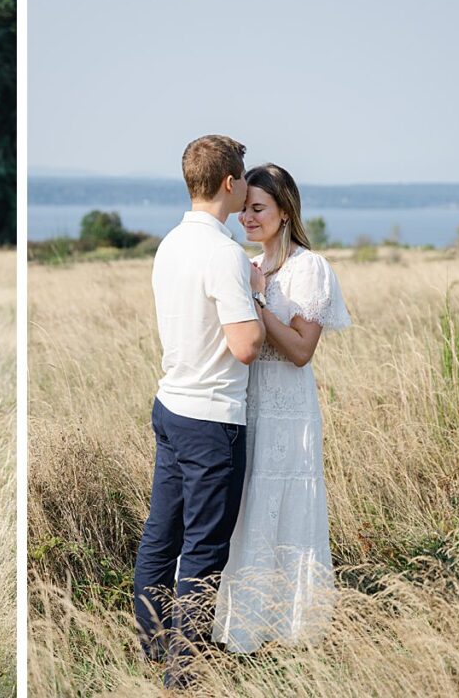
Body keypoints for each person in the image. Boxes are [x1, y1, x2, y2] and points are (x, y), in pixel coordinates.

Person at [133, 135, 266, 685]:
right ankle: (184, 676)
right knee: (205, 547)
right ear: (230, 183)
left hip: (171, 405)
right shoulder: (224, 253)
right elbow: (246, 346)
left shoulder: (170, 244)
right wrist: (256, 296)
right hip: (211, 417)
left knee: (161, 535)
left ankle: (151, 650)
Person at [212, 162, 351, 653]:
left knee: (286, 504)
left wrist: (258, 301)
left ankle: (290, 630)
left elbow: (300, 350)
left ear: (285, 210)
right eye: (243, 208)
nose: (247, 218)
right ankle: (244, 626)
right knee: (250, 508)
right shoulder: (253, 265)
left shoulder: (307, 268)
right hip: (250, 404)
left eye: (258, 209)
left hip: (288, 408)